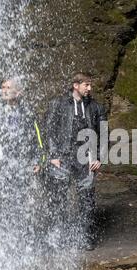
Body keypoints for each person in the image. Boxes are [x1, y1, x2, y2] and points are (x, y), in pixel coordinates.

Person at [0, 77, 45, 228]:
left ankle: (17, 240)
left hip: (19, 167)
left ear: (18, 92)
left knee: (18, 205)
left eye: (8, 88)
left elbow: (38, 140)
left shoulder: (28, 113)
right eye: (2, 87)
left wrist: (39, 161)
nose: (4, 90)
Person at [46, 72, 107, 251]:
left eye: (90, 85)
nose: (90, 88)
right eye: (86, 85)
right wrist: (52, 155)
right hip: (62, 157)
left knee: (86, 199)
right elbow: (49, 130)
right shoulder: (57, 104)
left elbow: (104, 133)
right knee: (58, 199)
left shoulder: (96, 107)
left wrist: (99, 157)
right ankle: (57, 238)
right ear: (76, 85)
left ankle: (86, 237)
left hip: (85, 158)